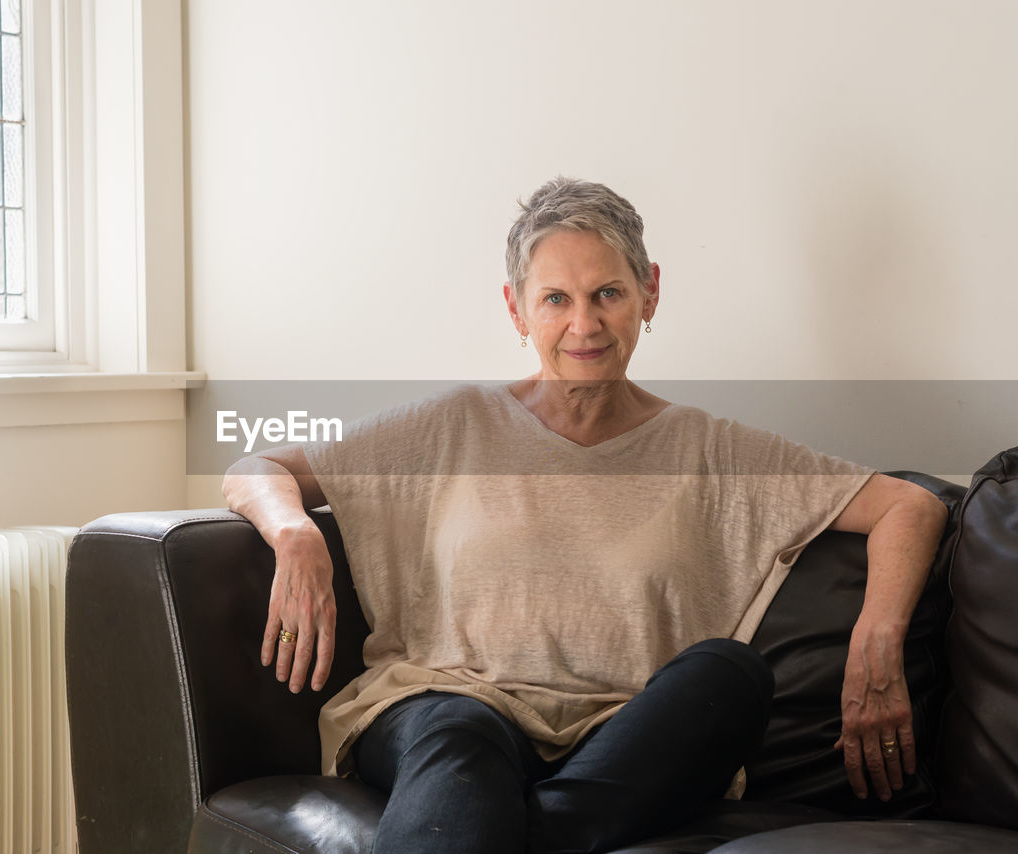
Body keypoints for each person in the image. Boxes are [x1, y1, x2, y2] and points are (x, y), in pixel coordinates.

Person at [222, 177, 947, 853]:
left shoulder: (712, 449)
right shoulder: (452, 426)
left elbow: (909, 506)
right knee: (459, 731)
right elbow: (259, 469)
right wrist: (294, 534)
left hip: (623, 739)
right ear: (516, 308)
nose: (585, 325)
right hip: (451, 710)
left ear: (649, 293)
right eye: (555, 299)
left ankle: (533, 830)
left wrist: (876, 645)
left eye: (607, 293)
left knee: (731, 676)